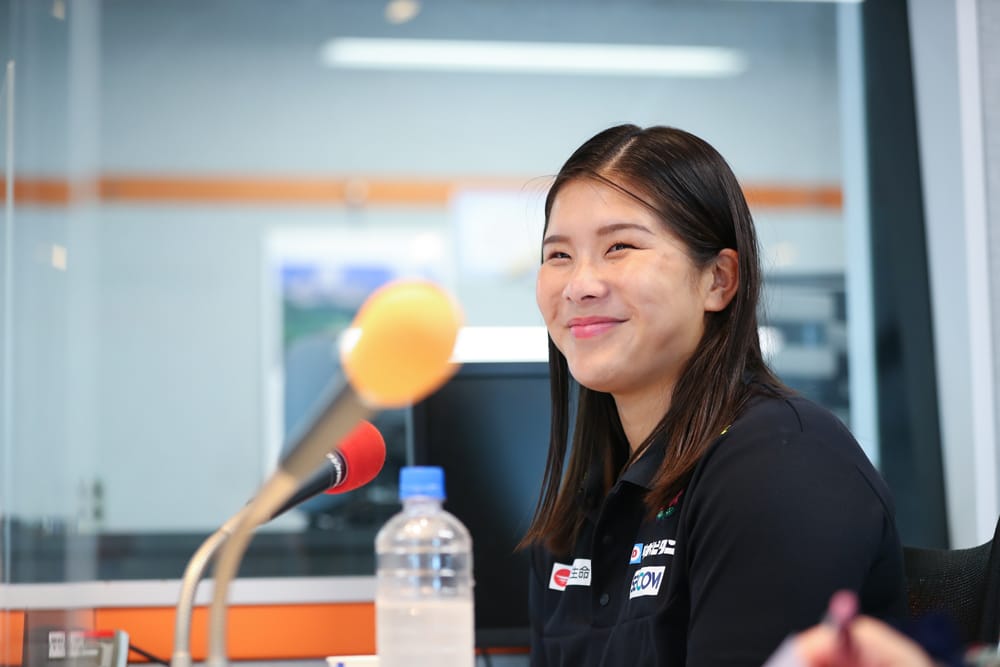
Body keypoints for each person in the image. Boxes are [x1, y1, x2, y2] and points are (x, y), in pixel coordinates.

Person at [521, 124, 906, 667]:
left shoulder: (781, 460)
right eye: (559, 255)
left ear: (719, 280)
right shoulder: (583, 505)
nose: (580, 284)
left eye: (619, 247)